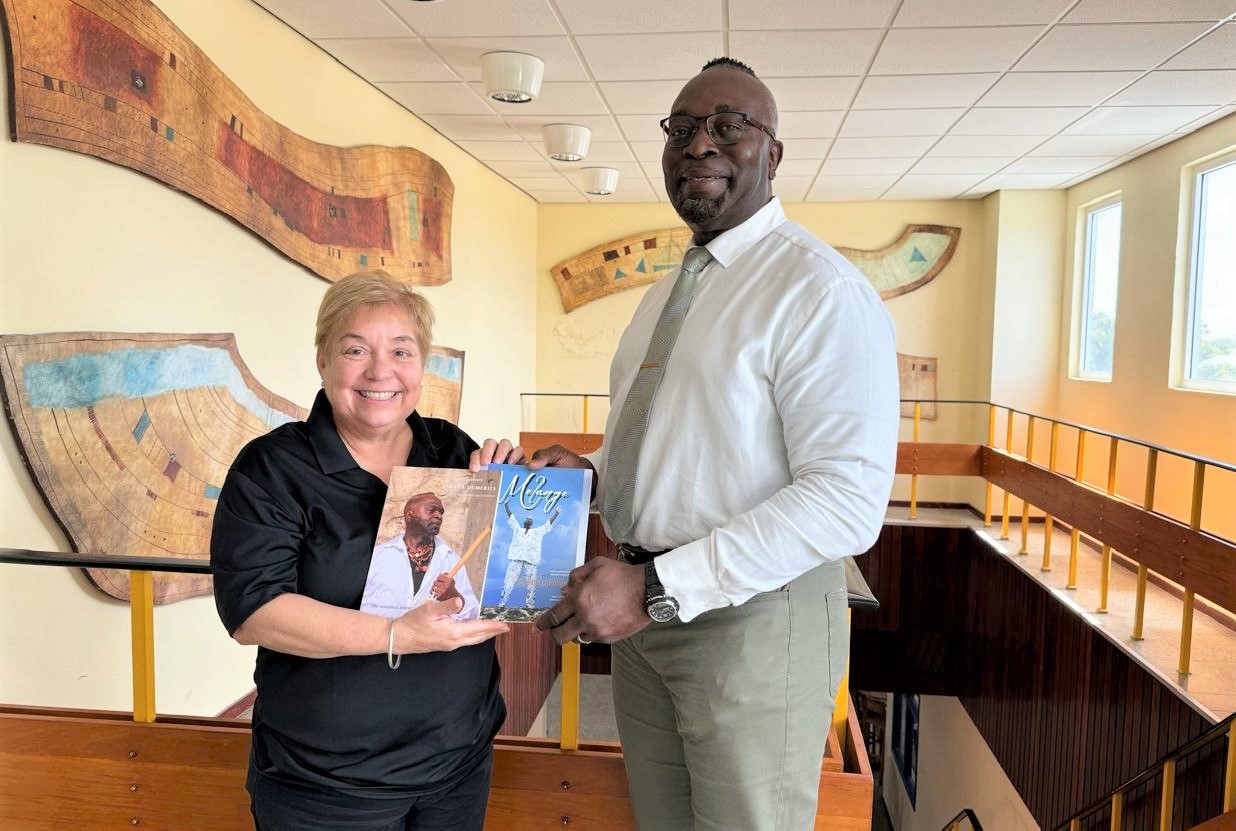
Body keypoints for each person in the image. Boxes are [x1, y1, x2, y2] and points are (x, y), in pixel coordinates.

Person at [531, 57, 900, 831]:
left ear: (773, 154)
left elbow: (846, 500)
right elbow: (684, 441)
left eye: (728, 126)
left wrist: (654, 587)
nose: (700, 144)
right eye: (683, 128)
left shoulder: (819, 290)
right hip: (645, 616)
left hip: (751, 619)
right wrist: (590, 475)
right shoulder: (667, 293)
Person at [210, 270, 524, 831]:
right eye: (355, 350)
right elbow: (254, 612)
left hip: (458, 764)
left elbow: (496, 574)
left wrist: (517, 487)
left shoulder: (451, 449)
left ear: (421, 364)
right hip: (326, 785)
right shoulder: (272, 468)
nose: (381, 371)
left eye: (401, 351)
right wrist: (396, 635)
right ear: (322, 360)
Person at [360, 493, 479, 621]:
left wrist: (455, 597)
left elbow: (474, 612)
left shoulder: (452, 560)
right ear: (409, 516)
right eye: (431, 510)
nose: (439, 516)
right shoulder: (377, 556)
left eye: (441, 512)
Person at [495, 502, 561, 612]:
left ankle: (530, 606)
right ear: (524, 521)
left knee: (531, 584)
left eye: (530, 519)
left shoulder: (536, 532)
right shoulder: (517, 529)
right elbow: (511, 517)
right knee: (509, 581)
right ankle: (501, 604)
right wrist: (506, 505)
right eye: (527, 518)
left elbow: (547, 524)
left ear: (531, 523)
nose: (528, 519)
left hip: (531, 561)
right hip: (516, 559)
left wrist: (556, 513)